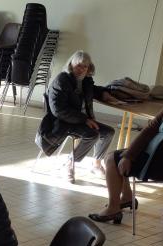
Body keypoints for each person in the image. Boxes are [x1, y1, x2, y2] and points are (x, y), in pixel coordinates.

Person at [89, 100, 163, 224]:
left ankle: (114, 208)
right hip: (157, 156)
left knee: (111, 159)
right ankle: (126, 197)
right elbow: (149, 129)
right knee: (116, 158)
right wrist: (129, 156)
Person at [39, 50, 116, 182]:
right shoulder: (61, 80)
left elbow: (93, 89)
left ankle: (96, 165)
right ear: (71, 65)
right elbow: (58, 110)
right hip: (62, 123)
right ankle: (69, 164)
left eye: (84, 67)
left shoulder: (85, 81)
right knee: (92, 135)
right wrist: (85, 119)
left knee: (109, 132)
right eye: (78, 65)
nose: (81, 69)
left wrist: (104, 93)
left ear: (89, 69)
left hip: (80, 121)